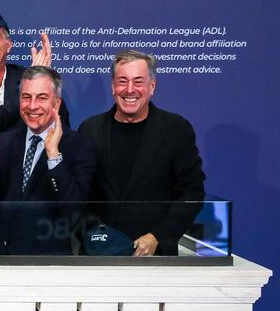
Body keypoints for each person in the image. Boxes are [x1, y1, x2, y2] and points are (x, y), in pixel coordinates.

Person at [78, 50, 205, 256]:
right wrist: (98, 236)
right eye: (122, 81)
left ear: (151, 86)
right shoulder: (89, 130)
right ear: (113, 87)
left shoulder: (176, 130)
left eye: (138, 82)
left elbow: (191, 193)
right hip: (99, 257)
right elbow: (77, 195)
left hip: (156, 260)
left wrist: (158, 236)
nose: (130, 90)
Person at [0, 66, 96, 255]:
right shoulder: (2, 142)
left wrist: (53, 155)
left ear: (57, 103)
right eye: (26, 97)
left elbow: (74, 210)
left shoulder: (78, 146)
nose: (32, 106)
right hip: (1, 261)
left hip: (48, 263)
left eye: (42, 98)